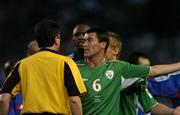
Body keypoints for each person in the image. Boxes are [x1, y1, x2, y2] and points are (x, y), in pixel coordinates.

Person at [77, 28, 180, 115]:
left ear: (115, 50)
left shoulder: (128, 74)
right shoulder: (79, 68)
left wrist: (171, 112)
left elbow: (151, 104)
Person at [0, 19, 87, 115]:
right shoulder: (66, 63)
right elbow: (74, 100)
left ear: (38, 40)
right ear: (57, 38)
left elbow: (3, 99)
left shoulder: (22, 64)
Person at [105, 32, 180, 115]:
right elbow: (154, 71)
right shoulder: (89, 74)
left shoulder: (136, 81)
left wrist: (172, 112)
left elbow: (152, 105)